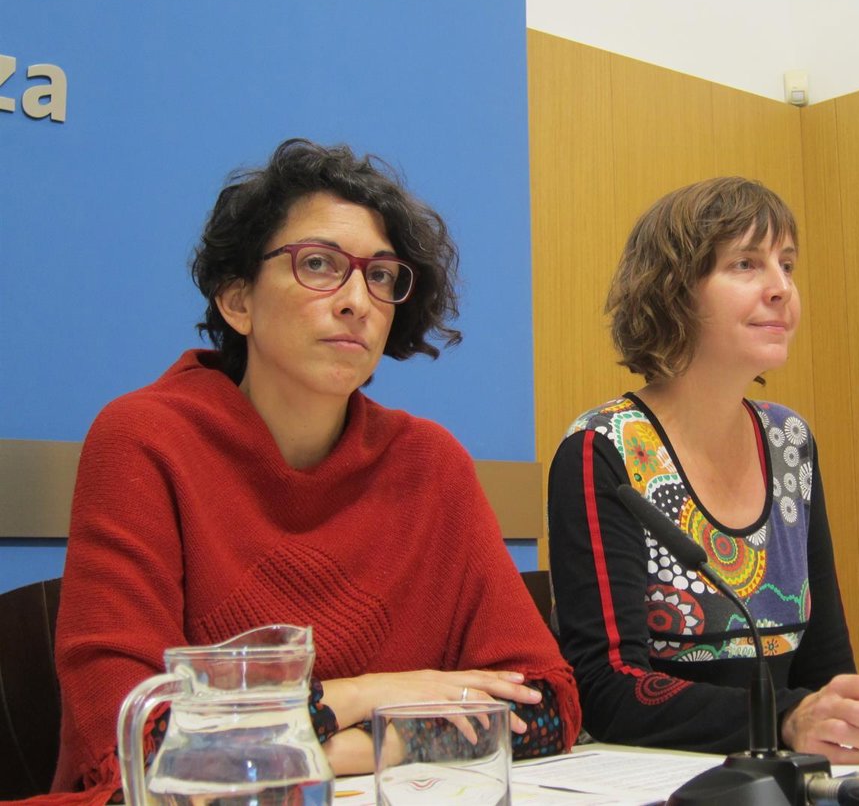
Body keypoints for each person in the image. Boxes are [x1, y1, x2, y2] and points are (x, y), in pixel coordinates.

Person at [52, 139, 580, 800]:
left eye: (380, 275)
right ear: (238, 300)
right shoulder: (145, 440)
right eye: (319, 264)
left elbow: (542, 708)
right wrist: (371, 694)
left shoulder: (429, 462)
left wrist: (359, 746)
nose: (358, 300)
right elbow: (139, 741)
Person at [547, 177, 859, 760]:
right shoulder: (604, 448)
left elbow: (823, 665)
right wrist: (783, 720)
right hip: (647, 777)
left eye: (787, 265)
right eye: (745, 264)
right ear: (673, 291)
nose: (781, 288)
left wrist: (841, 717)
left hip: (776, 769)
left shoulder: (790, 442)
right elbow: (607, 688)